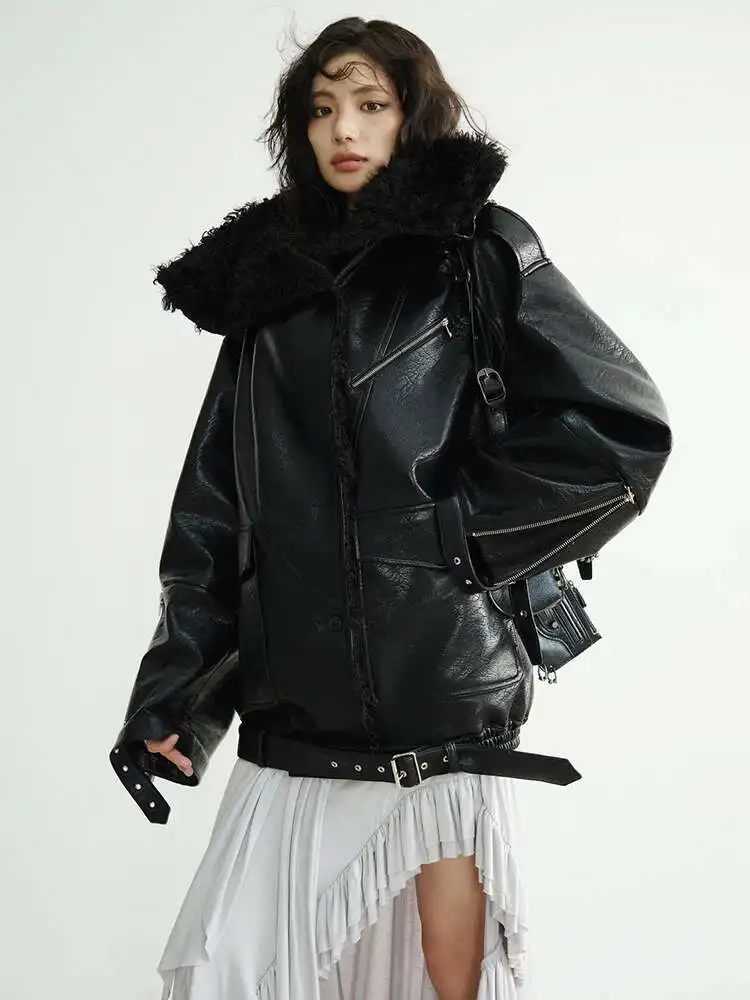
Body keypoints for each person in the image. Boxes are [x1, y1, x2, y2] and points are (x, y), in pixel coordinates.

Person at [109, 16, 672, 1000]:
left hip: (444, 699)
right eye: (322, 108)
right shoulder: (267, 287)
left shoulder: (477, 251)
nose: (344, 129)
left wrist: (464, 532)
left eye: (370, 104)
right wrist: (179, 697)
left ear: (412, 116)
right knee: (222, 970)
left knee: (449, 980)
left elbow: (620, 429)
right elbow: (213, 509)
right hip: (294, 713)